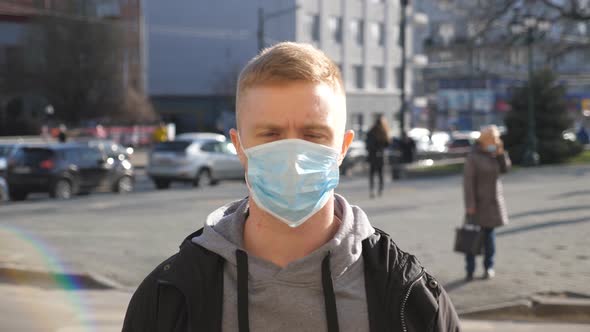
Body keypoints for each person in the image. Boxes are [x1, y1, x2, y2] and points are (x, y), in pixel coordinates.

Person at [122, 42, 460, 332]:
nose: (293, 156)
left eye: (313, 135)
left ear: (342, 148)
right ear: (239, 147)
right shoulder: (169, 298)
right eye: (270, 135)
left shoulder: (410, 295)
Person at [463, 125, 511, 281]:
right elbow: (468, 183)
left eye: (495, 139)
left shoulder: (495, 153)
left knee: (489, 238)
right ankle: (470, 270)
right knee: (471, 238)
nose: (493, 142)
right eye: (491, 140)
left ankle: (488, 267)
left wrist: (501, 154)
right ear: (483, 140)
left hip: (492, 203)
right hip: (476, 204)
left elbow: (505, 170)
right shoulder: (473, 157)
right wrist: (470, 205)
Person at [365, 114, 390, 198]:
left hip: (373, 156)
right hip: (380, 156)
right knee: (380, 174)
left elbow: (367, 144)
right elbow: (388, 144)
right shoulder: (384, 132)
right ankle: (380, 189)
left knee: (372, 174)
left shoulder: (372, 131)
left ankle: (373, 190)